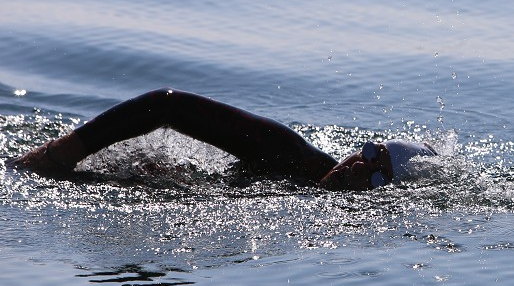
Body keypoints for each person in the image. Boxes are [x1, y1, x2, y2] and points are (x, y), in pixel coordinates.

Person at [9, 89, 436, 191]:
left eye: (377, 176)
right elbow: (168, 105)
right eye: (368, 153)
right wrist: (64, 151)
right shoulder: (286, 153)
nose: (359, 166)